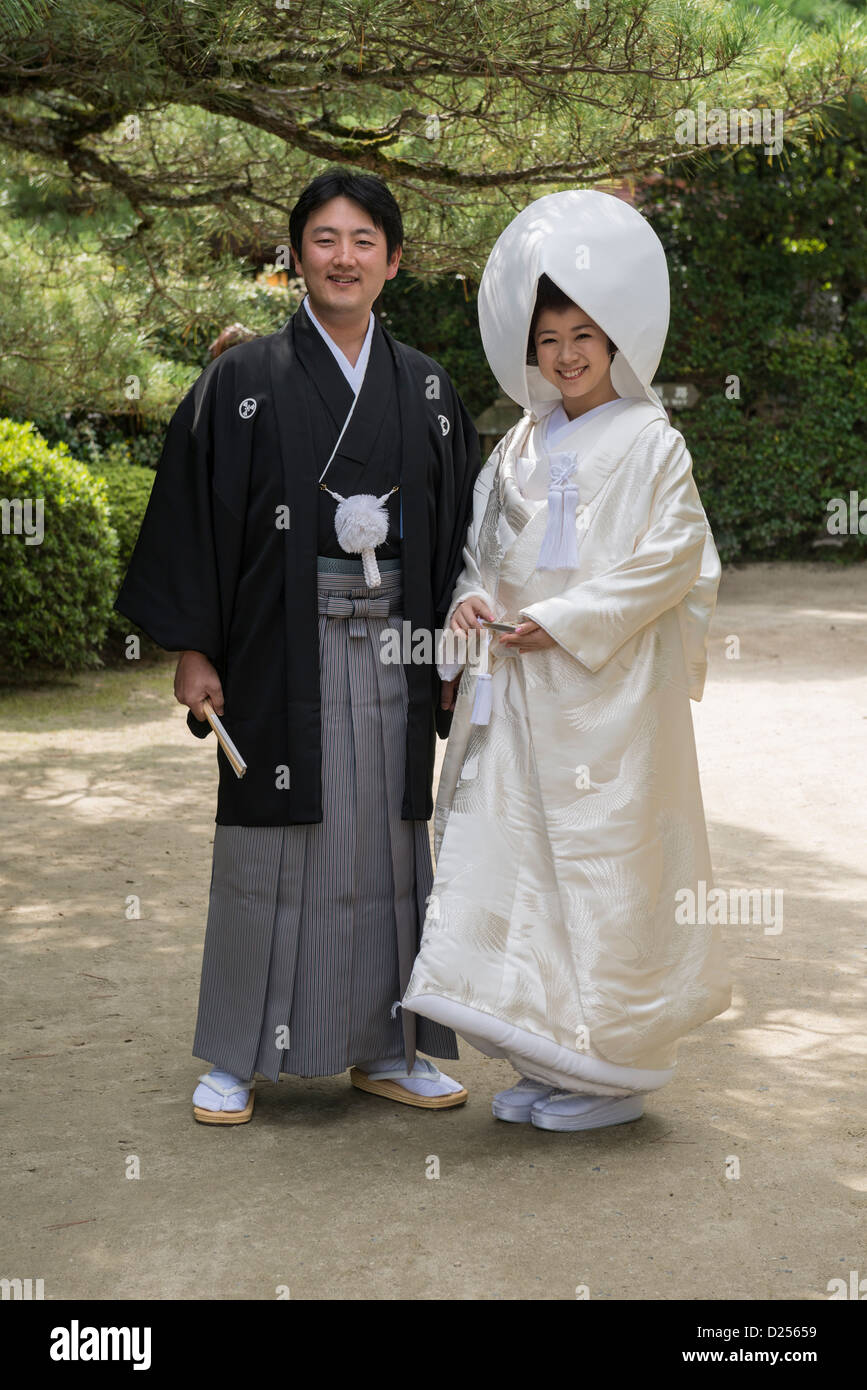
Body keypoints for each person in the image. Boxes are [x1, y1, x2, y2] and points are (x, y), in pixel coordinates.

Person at [115, 168, 482, 1123]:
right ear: (296, 256)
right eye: (324, 239)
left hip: (399, 644)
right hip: (280, 644)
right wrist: (193, 647)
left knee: (391, 852)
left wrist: (449, 658)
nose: (343, 257)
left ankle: (390, 1048)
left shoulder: (429, 387)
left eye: (365, 240)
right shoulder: (240, 381)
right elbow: (193, 519)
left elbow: (455, 538)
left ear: (393, 261)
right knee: (265, 850)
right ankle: (238, 1054)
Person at [402, 188, 732, 1132]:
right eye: (549, 338)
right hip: (515, 689)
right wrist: (471, 602)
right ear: (530, 350)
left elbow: (673, 557)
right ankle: (552, 1053)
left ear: (616, 338)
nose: (568, 354)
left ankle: (614, 1069)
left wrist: (572, 617)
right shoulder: (513, 445)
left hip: (604, 694)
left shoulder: (649, 439)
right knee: (521, 868)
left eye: (585, 333)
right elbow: (483, 551)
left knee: (604, 868)